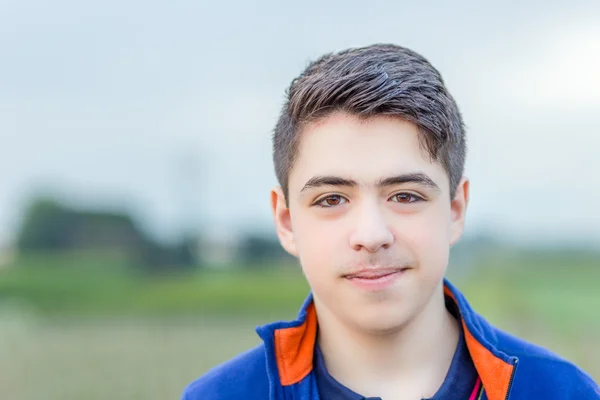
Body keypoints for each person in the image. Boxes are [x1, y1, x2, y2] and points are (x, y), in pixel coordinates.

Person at [181, 44, 600, 400]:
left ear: (455, 210)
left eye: (405, 196)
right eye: (331, 199)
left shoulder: (560, 391)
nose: (371, 235)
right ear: (287, 222)